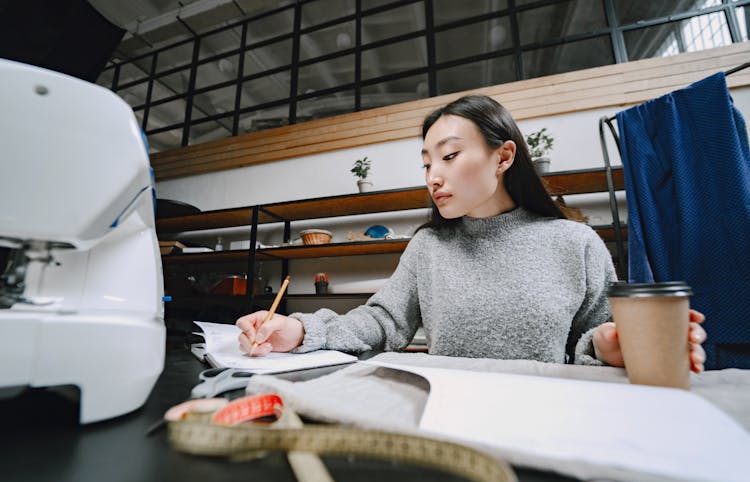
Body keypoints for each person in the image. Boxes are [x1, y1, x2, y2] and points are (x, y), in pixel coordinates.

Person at [237, 95, 706, 371]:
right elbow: (381, 323)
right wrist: (299, 330)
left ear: (503, 158)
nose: (432, 176)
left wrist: (608, 346)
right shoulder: (430, 246)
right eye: (426, 164)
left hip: (547, 424)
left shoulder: (575, 243)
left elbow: (591, 341)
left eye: (448, 156)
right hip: (448, 420)